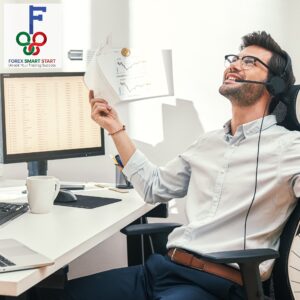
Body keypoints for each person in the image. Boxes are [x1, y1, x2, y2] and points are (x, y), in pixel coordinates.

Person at [42, 31, 299, 300]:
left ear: (276, 86)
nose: (234, 65)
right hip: (161, 270)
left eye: (250, 62)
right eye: (235, 59)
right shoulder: (208, 143)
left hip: (213, 285)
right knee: (52, 296)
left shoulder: (289, 147)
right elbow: (154, 187)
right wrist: (115, 129)